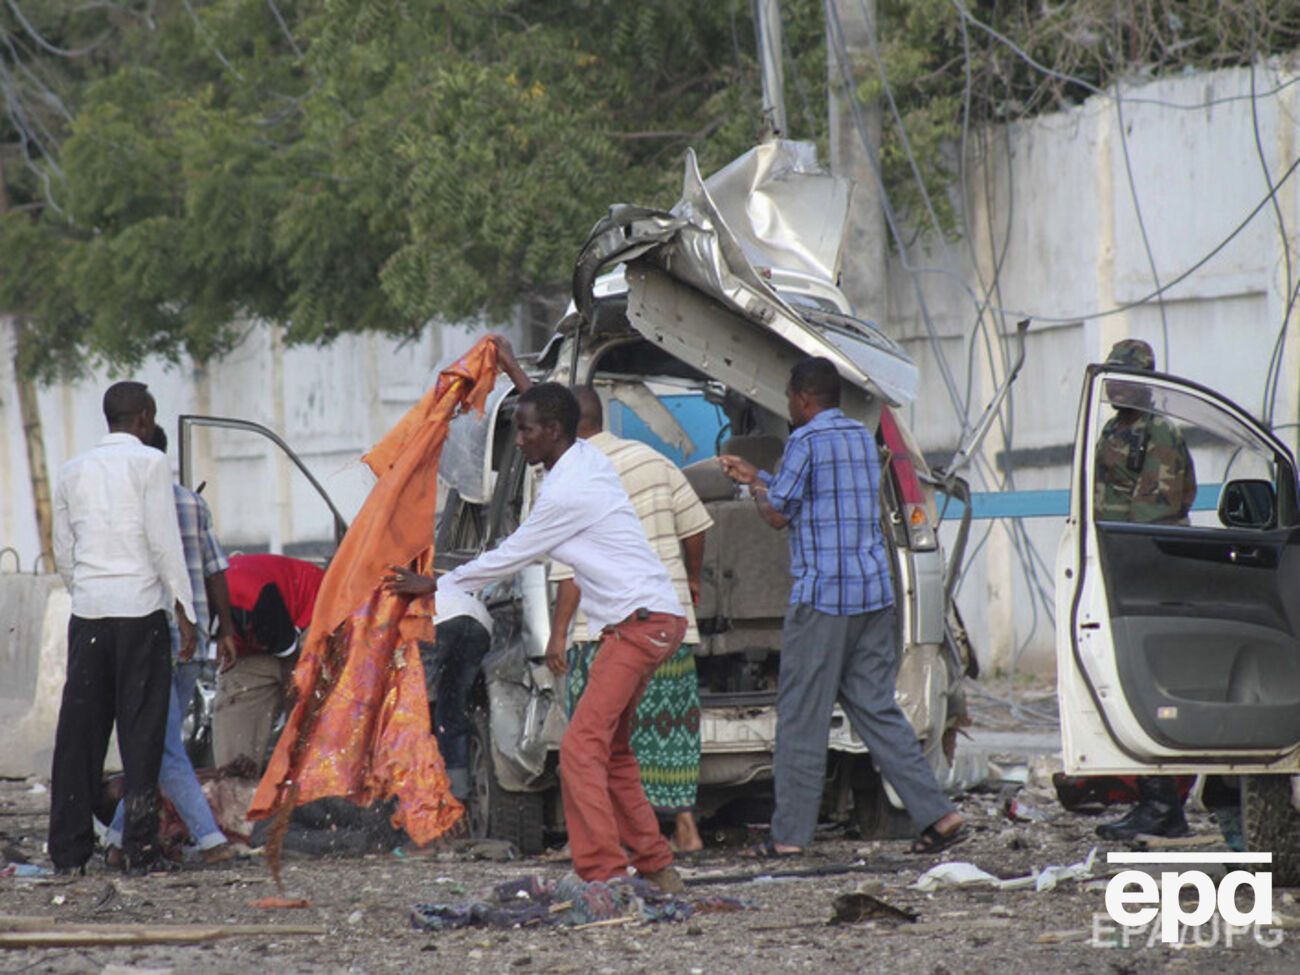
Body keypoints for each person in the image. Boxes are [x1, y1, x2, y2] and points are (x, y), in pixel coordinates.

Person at [435, 373, 688, 892]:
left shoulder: (567, 490)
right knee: (612, 753)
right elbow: (556, 410)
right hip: (644, 621)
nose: (520, 440)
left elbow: (515, 552)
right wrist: (510, 367)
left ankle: (602, 874)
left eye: (526, 432)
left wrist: (437, 583)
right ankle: (658, 869)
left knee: (578, 749)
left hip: (641, 626)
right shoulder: (580, 457)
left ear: (553, 432)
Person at [719, 356, 964, 857]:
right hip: (873, 598)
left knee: (802, 716)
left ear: (803, 399)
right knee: (875, 707)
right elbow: (810, 495)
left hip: (824, 600)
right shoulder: (860, 437)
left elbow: (777, 516)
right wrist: (762, 475)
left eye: (789, 397)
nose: (789, 405)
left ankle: (788, 838)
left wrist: (750, 484)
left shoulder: (804, 442)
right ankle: (939, 815)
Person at [546, 386, 710, 854]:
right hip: (668, 621)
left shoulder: (571, 475)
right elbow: (696, 525)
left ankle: (608, 847)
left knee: (596, 742)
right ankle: (685, 828)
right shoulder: (652, 459)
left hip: (607, 628)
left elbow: (573, 573)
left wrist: (558, 634)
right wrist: (693, 581)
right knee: (673, 728)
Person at [49, 381, 198, 874]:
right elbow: (162, 541)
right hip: (139, 613)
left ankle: (68, 852)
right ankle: (139, 849)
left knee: (80, 733)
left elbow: (63, 549)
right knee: (143, 734)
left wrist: (86, 589)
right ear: (146, 419)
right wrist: (185, 609)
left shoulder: (72, 471)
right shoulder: (151, 464)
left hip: (89, 611)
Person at [105, 426, 237, 866]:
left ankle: (210, 839)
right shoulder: (191, 502)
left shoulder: (129, 507)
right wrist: (225, 628)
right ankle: (118, 839)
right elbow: (217, 569)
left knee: (162, 749)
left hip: (150, 639)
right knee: (158, 746)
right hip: (192, 643)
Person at [1091, 338, 1198, 840]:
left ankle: (1163, 807)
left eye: (1123, 377)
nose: (1115, 385)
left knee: (1152, 688)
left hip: (1147, 571)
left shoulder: (1158, 434)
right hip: (1117, 565)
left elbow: (1153, 512)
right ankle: (1153, 801)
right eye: (1112, 376)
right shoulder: (1116, 430)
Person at [382, 565, 493, 805]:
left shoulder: (392, 596)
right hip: (479, 621)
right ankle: (458, 796)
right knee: (452, 711)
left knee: (414, 713)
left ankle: (419, 802)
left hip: (438, 621)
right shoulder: (435, 583)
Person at [212, 553, 325, 770]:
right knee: (232, 753)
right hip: (256, 637)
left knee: (309, 728)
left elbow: (291, 665)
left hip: (310, 616)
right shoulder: (179, 609)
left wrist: (294, 733)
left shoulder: (252, 598)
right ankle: (237, 787)